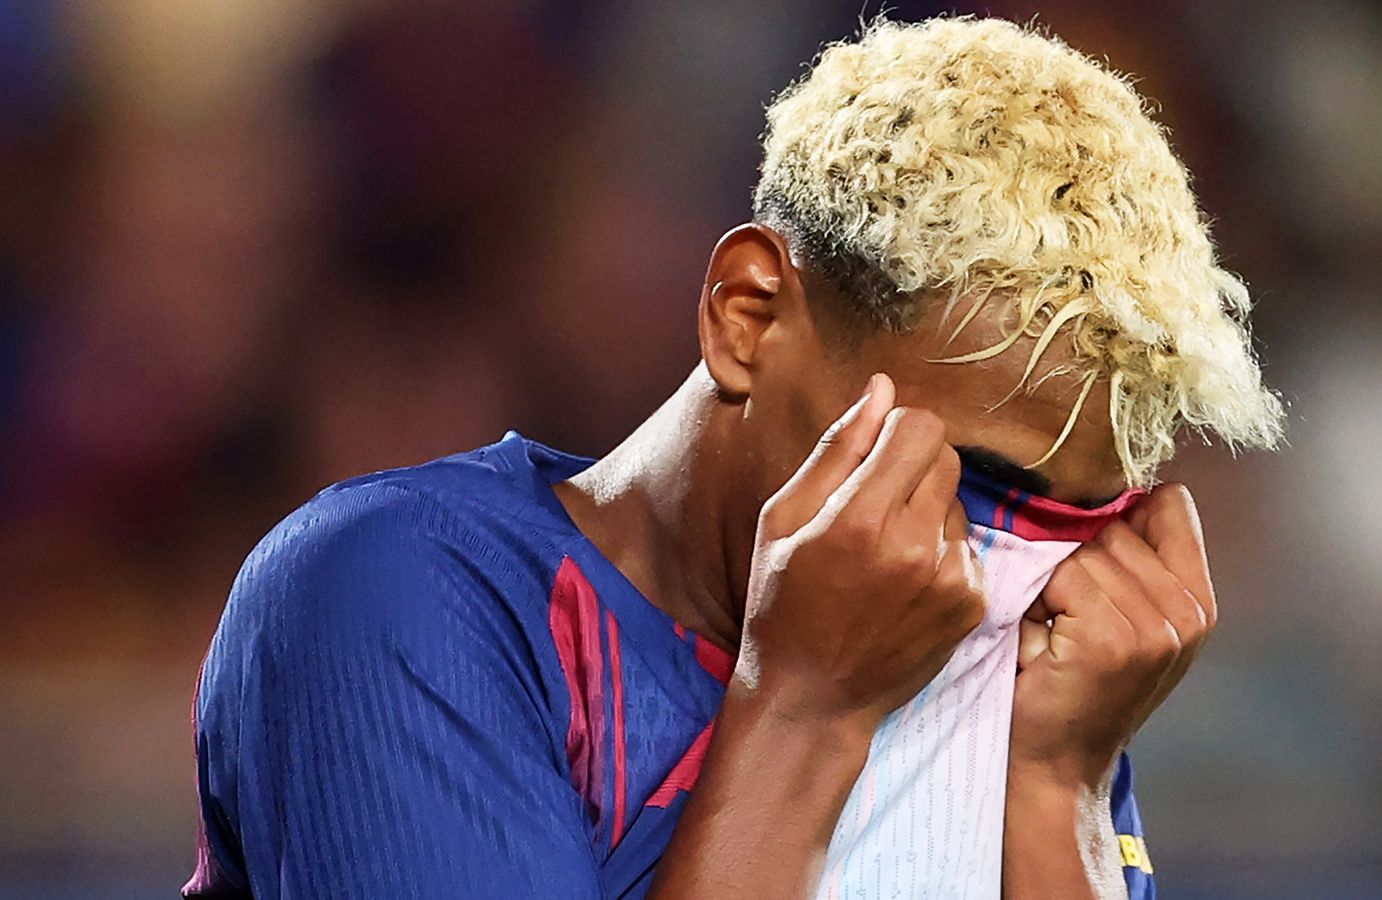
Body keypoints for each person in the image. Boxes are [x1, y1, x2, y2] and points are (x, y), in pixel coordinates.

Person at [184, 16, 1283, 900]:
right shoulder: (393, 591)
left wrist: (1056, 792)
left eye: (1082, 519)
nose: (1013, 570)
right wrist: (804, 711)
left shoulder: (1036, 688)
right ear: (748, 315)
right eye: (977, 479)